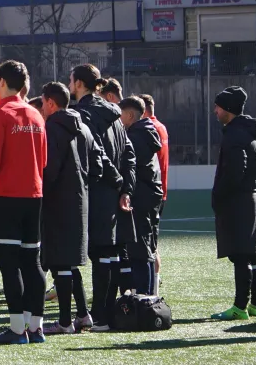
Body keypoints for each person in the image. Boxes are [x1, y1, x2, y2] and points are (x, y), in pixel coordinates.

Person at [0, 61, 47, 346]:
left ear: (2, 82)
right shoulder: (35, 114)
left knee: (9, 264)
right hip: (34, 195)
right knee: (32, 262)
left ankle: (17, 329)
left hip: (6, 196)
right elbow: (43, 159)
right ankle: (36, 327)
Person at [69, 64, 134, 332]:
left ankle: (101, 316)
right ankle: (106, 314)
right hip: (115, 193)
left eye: (71, 80)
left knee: (101, 254)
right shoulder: (116, 115)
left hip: (98, 191)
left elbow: (96, 155)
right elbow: (129, 154)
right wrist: (126, 189)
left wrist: (118, 182)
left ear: (80, 84)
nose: (69, 85)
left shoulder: (84, 113)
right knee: (112, 254)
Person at [37, 82, 97, 335]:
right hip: (79, 199)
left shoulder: (52, 128)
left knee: (61, 262)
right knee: (70, 262)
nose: (40, 107)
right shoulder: (83, 127)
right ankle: (83, 315)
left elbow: (50, 170)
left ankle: (64, 322)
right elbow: (97, 164)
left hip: (57, 202)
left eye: (41, 103)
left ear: (50, 103)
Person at [210, 87, 256, 320]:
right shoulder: (250, 131)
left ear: (228, 110)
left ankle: (240, 306)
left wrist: (219, 197)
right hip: (252, 198)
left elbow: (234, 172)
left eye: (218, 107)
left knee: (241, 255)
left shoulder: (234, 135)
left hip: (239, 203)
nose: (215, 111)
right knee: (252, 256)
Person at [119, 96, 163, 296]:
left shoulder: (136, 137)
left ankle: (143, 297)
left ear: (129, 115)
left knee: (140, 251)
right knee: (145, 249)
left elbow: (131, 168)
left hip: (141, 198)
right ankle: (147, 295)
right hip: (150, 197)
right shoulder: (146, 133)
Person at [140, 94, 170, 295]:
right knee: (151, 243)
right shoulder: (161, 127)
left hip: (152, 191)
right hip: (161, 190)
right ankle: (153, 286)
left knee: (148, 245)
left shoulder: (150, 128)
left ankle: (152, 290)